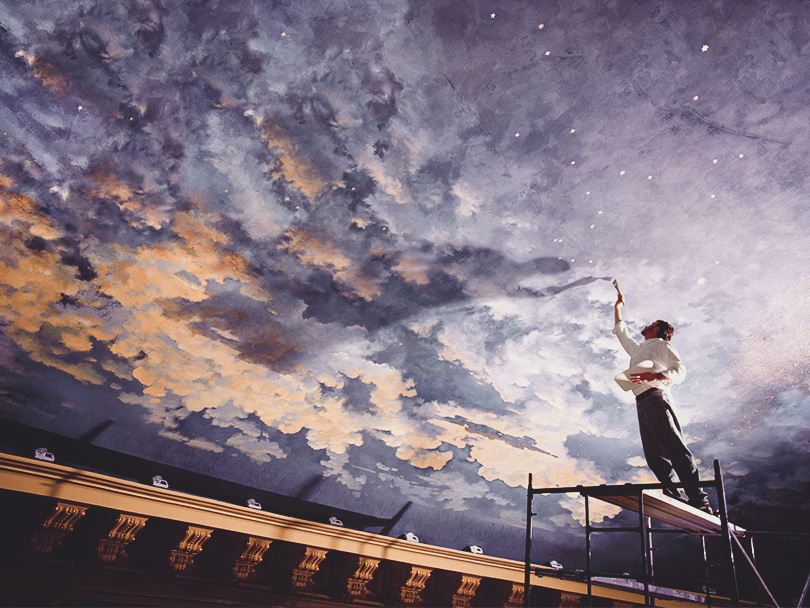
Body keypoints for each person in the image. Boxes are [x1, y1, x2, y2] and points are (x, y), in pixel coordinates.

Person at [613, 290, 713, 514]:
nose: (647, 325)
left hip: (657, 397)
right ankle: (674, 498)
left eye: (652, 324)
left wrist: (656, 375)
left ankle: (699, 500)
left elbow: (680, 370)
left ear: (658, 329)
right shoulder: (639, 349)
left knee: (674, 447)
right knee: (654, 455)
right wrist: (618, 306)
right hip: (642, 401)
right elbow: (621, 332)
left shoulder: (661, 345)